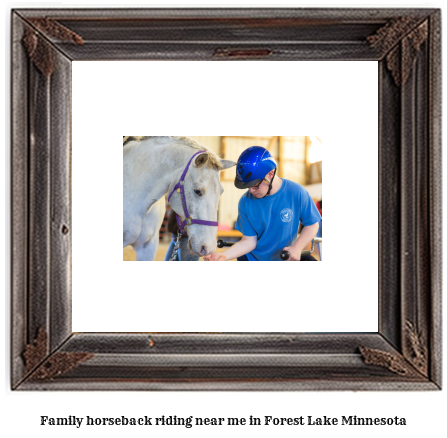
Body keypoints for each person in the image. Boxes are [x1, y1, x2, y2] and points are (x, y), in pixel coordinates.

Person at [204, 146, 321, 261]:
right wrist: (223, 256)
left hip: (284, 258)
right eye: (248, 186)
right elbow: (249, 241)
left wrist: (297, 247)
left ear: (270, 174)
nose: (251, 191)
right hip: (252, 259)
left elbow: (312, 224)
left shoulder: (297, 193)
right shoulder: (245, 201)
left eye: (254, 186)